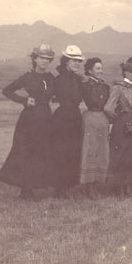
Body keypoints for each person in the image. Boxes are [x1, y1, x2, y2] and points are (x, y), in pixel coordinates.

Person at [0, 44, 55, 200]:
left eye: (48, 59)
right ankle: (26, 190)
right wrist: (23, 100)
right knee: (27, 152)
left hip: (46, 117)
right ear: (35, 59)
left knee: (42, 152)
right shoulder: (27, 77)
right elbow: (6, 90)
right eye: (42, 58)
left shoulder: (50, 78)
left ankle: (35, 186)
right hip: (30, 119)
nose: (45, 61)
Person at [104, 57, 132, 198]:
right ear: (125, 72)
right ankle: (119, 188)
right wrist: (119, 118)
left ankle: (128, 186)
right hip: (122, 124)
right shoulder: (118, 88)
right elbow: (108, 108)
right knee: (121, 154)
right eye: (130, 71)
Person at [52, 45, 84, 199]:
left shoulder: (78, 79)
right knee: (61, 151)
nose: (77, 64)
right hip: (63, 117)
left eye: (79, 61)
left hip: (75, 117)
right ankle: (59, 188)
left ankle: (65, 186)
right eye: (74, 60)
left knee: (72, 151)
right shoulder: (58, 79)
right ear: (66, 61)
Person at [80, 57, 110, 199]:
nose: (100, 71)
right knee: (90, 150)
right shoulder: (85, 86)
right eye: (97, 68)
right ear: (90, 70)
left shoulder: (105, 86)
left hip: (102, 120)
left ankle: (96, 184)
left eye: (101, 68)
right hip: (90, 119)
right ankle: (88, 186)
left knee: (101, 151)